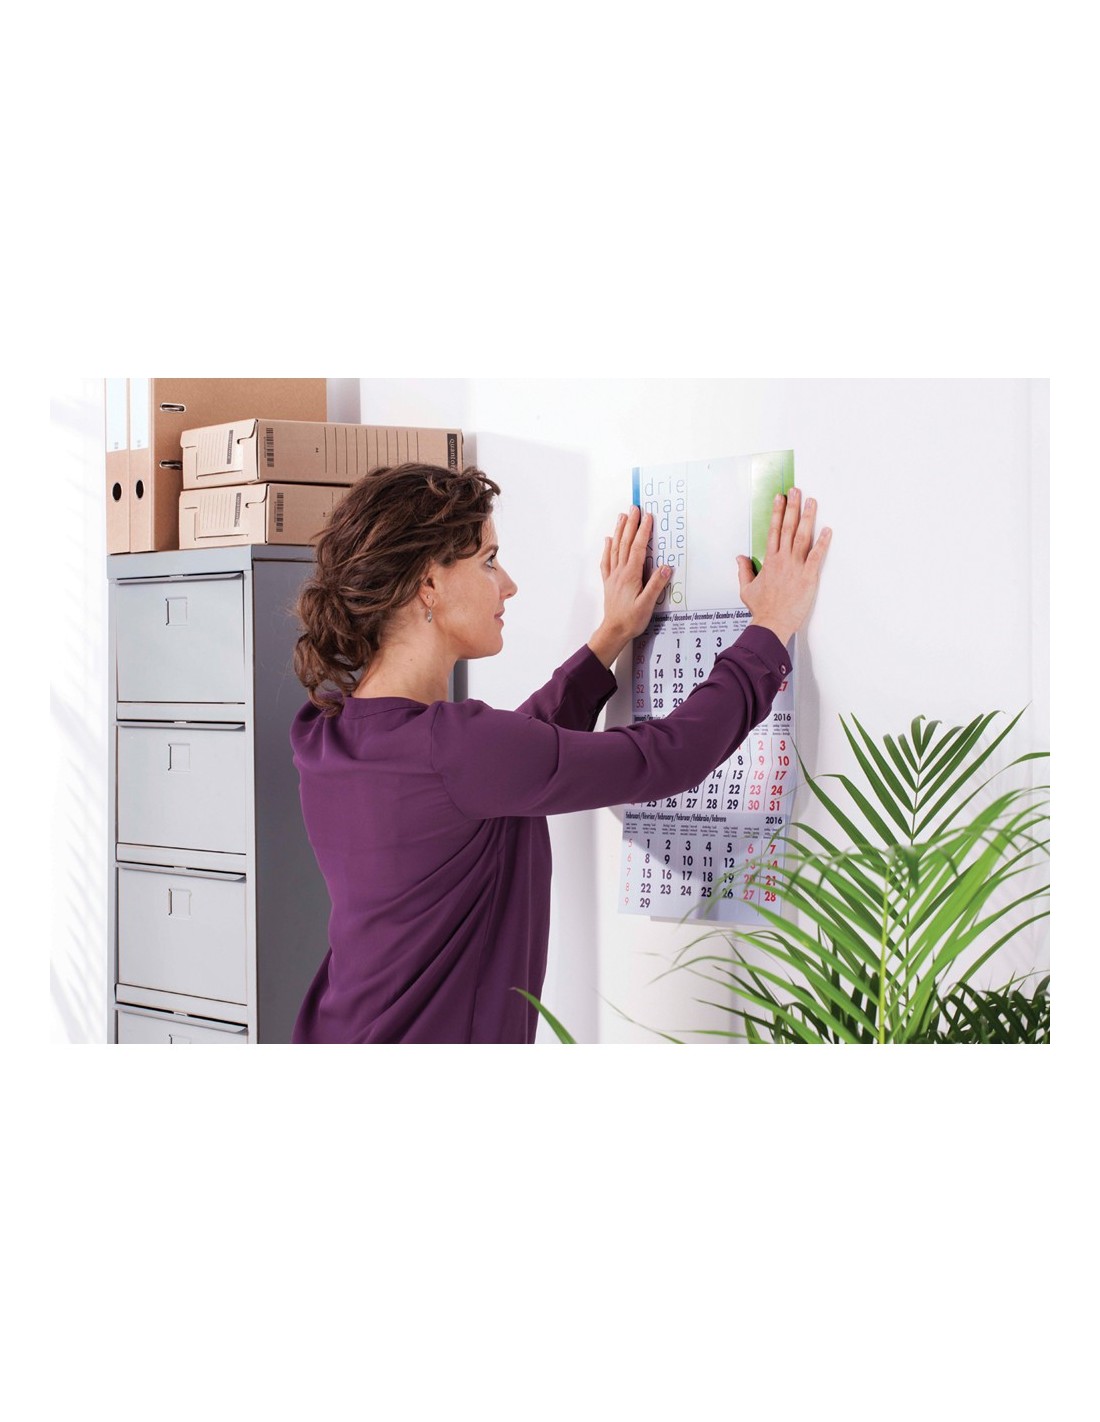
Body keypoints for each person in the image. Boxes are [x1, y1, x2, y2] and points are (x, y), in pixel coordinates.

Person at [289, 462, 831, 1043]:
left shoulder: (328, 734)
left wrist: (612, 635)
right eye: (488, 561)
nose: (508, 585)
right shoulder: (454, 750)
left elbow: (509, 759)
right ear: (429, 585)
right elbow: (667, 756)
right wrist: (770, 627)